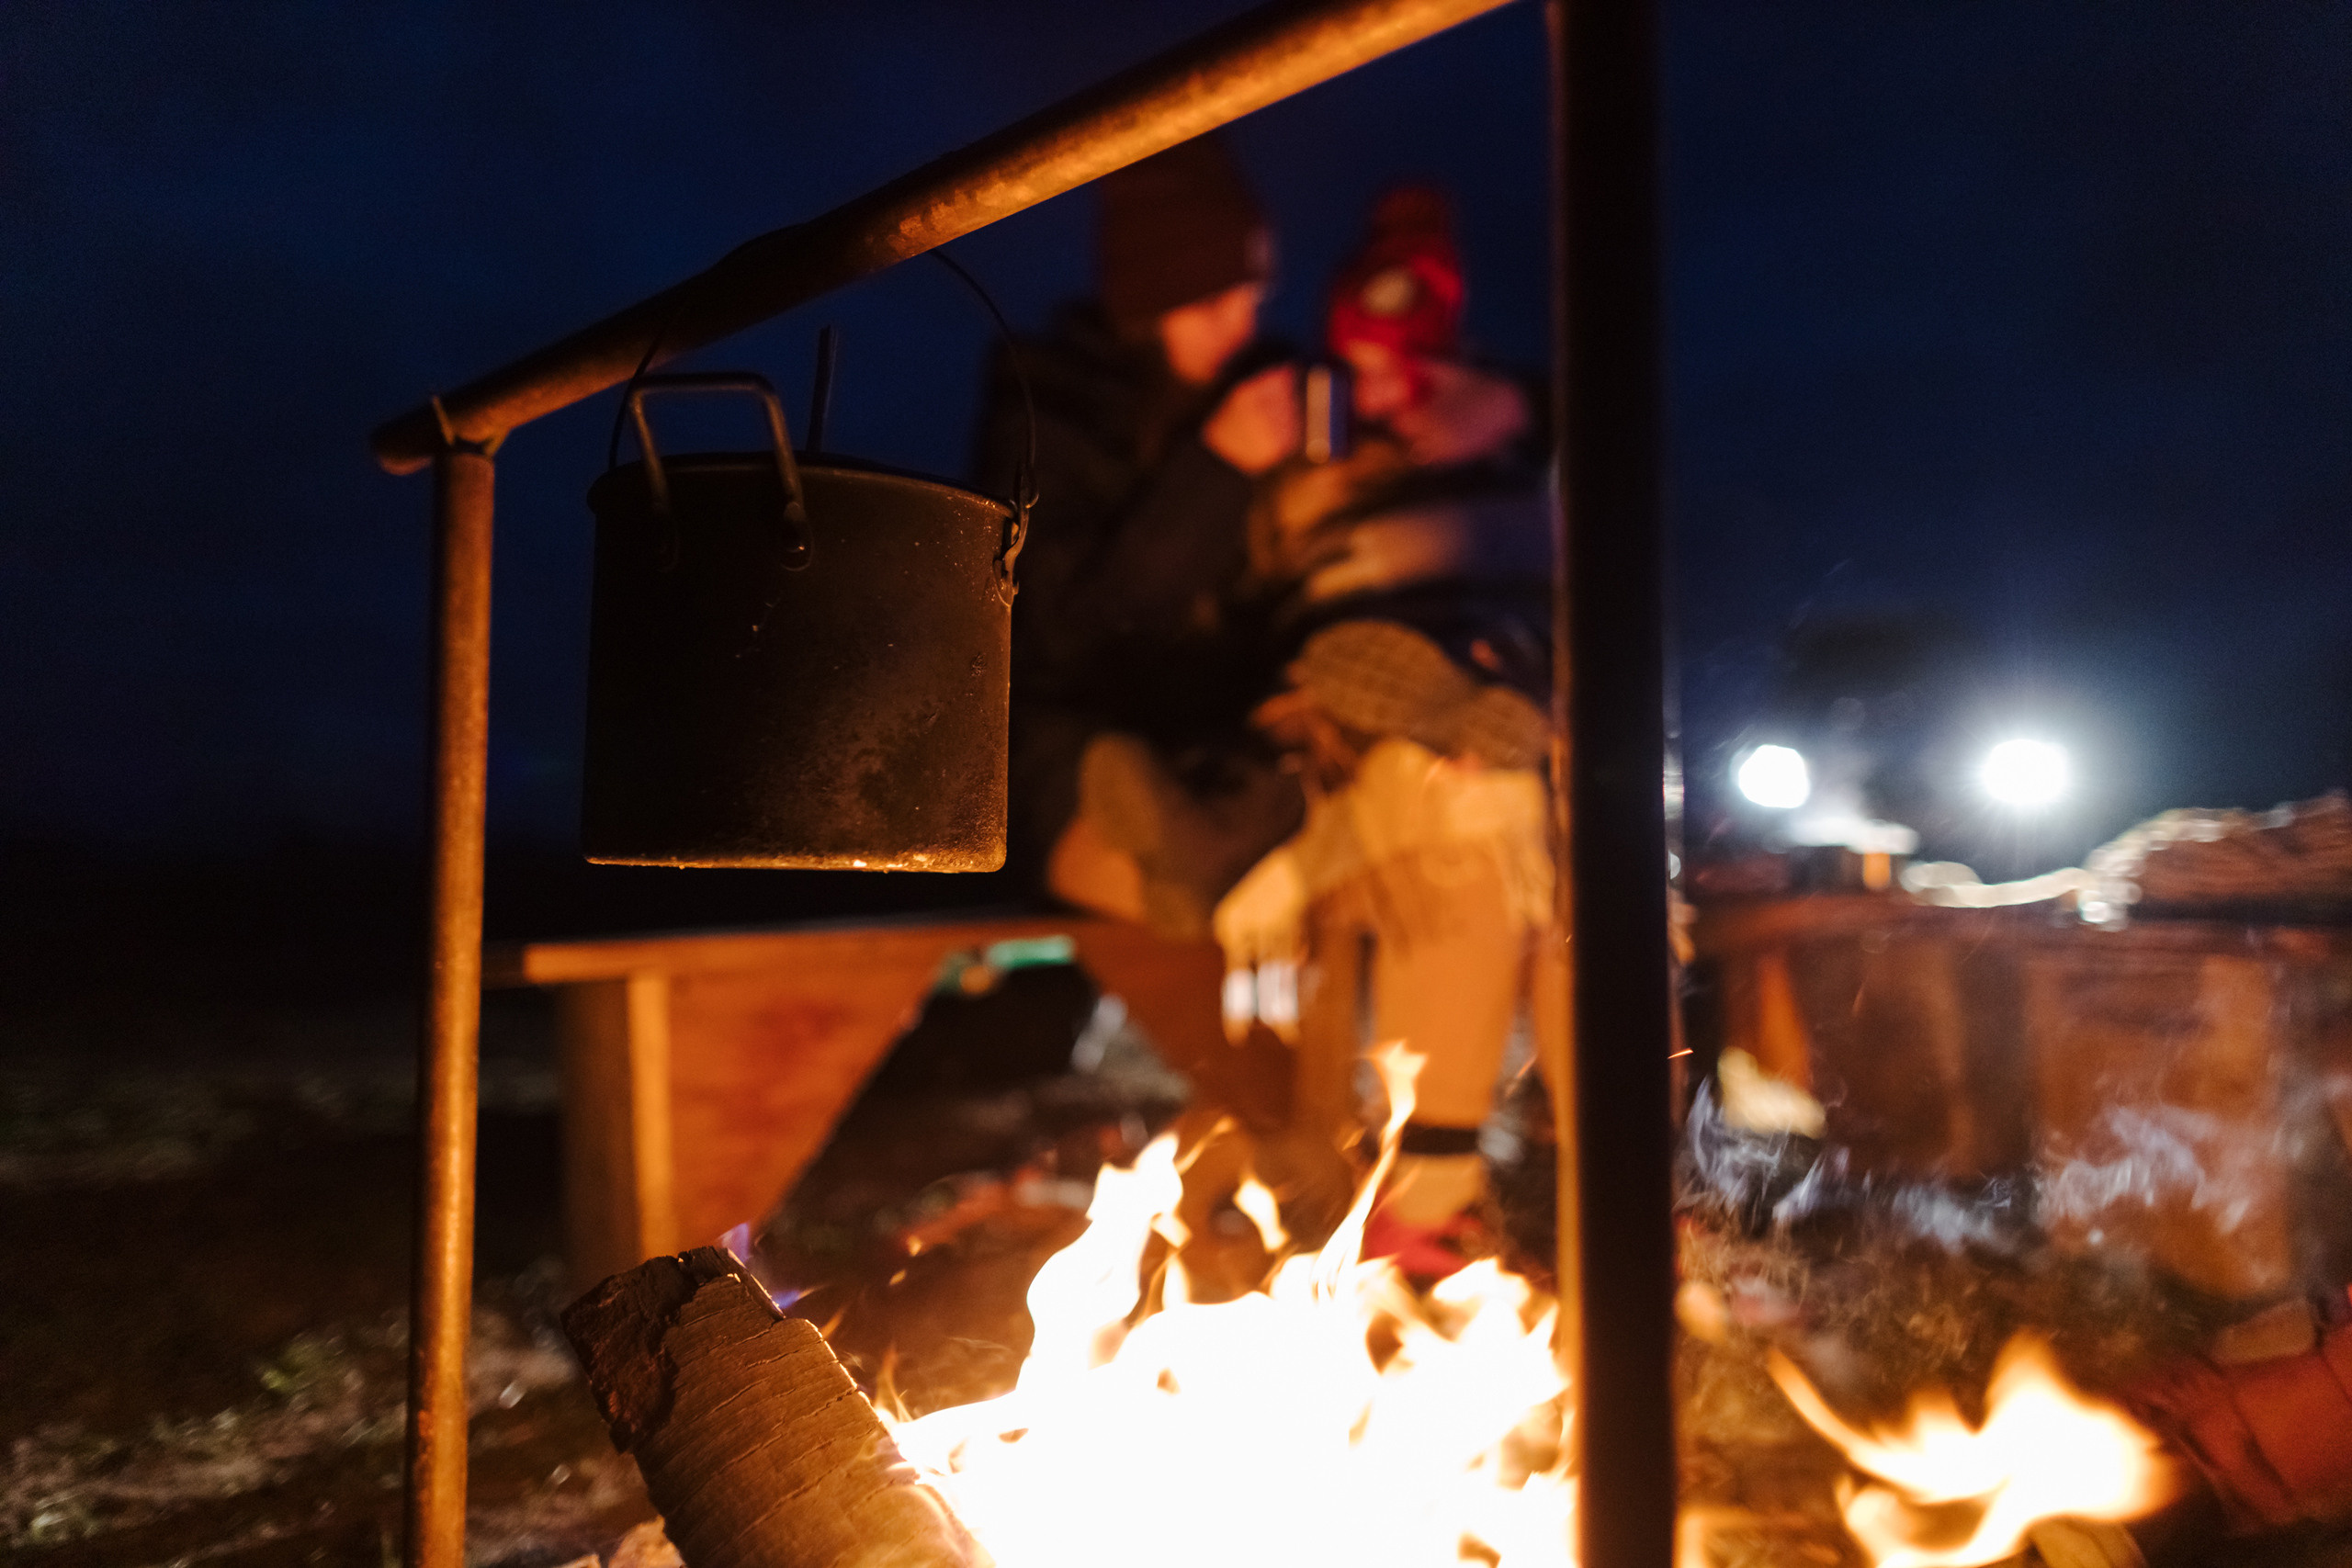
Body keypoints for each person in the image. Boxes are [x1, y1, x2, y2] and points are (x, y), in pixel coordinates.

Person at [1212, 186, 1564, 1274]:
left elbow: (1563, 569)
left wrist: (1517, 427)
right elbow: (1254, 617)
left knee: (1562, 855)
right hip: (1348, 722)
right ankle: (1437, 1196)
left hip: (1521, 699)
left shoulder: (1502, 421)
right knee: (1458, 821)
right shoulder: (1281, 433)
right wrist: (1241, 468)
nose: (1380, 376)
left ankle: (1501, 1193)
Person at [971, 134, 1306, 931]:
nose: (1241, 324)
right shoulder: (1050, 410)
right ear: (1152, 302)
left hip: (1212, 745)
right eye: (1213, 301)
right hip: (1076, 748)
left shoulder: (1259, 390)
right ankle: (1190, 872)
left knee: (1277, 795)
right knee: (1188, 868)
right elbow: (1065, 625)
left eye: (1252, 297)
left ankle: (1193, 865)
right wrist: (1217, 471)